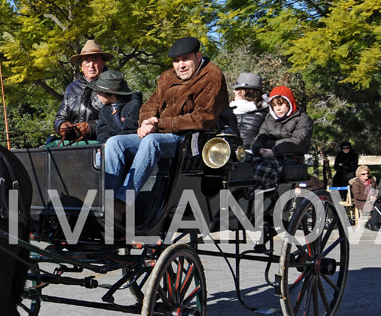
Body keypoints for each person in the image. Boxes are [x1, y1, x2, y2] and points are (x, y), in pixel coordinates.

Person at [104, 36, 228, 209]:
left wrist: (160, 125)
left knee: (151, 141)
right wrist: (146, 121)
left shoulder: (212, 76)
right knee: (114, 142)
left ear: (198, 56)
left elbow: (203, 118)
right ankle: (106, 202)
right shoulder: (167, 77)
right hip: (160, 133)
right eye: (176, 61)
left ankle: (123, 202)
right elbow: (151, 104)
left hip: (191, 140)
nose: (181, 65)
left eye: (186, 59)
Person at [249, 86, 313, 191]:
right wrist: (259, 149)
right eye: (274, 105)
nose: (277, 108)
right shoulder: (268, 120)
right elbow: (259, 138)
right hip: (267, 156)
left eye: (281, 104)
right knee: (245, 163)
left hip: (291, 159)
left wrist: (274, 151)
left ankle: (254, 194)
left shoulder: (303, 119)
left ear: (289, 103)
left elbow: (297, 141)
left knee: (265, 168)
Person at [54, 39, 113, 142]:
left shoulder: (112, 85)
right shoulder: (71, 88)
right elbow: (60, 116)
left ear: (103, 63)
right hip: (72, 143)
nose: (91, 66)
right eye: (86, 61)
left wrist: (90, 127)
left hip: (102, 142)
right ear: (81, 66)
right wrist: (61, 126)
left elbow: (118, 118)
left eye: (95, 60)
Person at [88, 71, 143, 145]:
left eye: (99, 92)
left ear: (111, 93)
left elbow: (131, 130)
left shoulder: (133, 105)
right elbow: (102, 131)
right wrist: (104, 143)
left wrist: (111, 144)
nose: (97, 95)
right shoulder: (105, 109)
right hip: (112, 144)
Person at [228, 72, 268, 151]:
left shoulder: (267, 112)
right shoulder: (228, 110)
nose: (234, 92)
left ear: (243, 91)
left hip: (254, 153)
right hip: (228, 152)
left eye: (236, 89)